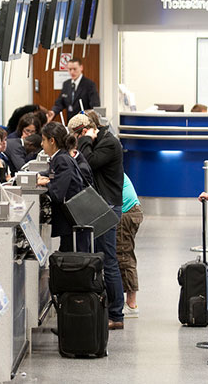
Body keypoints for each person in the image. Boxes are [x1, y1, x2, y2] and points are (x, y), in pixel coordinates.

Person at [73, 113, 126, 330]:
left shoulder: (109, 143)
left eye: (78, 135)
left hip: (107, 206)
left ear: (86, 129)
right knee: (103, 258)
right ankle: (109, 309)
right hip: (101, 205)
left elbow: (89, 162)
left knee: (109, 260)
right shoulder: (103, 141)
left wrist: (85, 140)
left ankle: (116, 314)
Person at [36, 122, 87, 253]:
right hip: (72, 221)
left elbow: (57, 194)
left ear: (52, 140)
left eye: (44, 140)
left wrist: (47, 183)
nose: (42, 144)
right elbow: (56, 176)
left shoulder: (61, 160)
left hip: (72, 221)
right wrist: (45, 177)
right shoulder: (61, 157)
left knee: (71, 259)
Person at [117, 174, 143, 318]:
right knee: (123, 254)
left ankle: (132, 305)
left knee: (123, 255)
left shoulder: (101, 162)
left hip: (126, 212)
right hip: (130, 211)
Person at [49, 58, 100, 123]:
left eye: (74, 69)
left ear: (81, 68)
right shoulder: (66, 84)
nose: (72, 72)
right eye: (70, 69)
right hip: (71, 122)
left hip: (85, 122)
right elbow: (60, 102)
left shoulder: (89, 84)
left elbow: (95, 105)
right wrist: (53, 111)